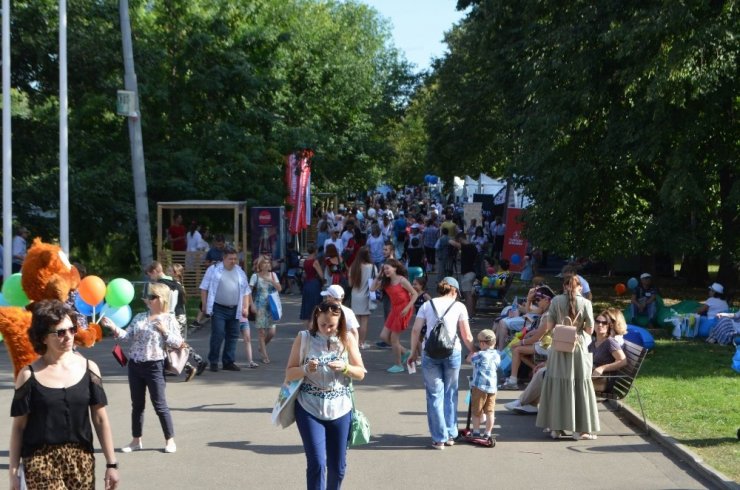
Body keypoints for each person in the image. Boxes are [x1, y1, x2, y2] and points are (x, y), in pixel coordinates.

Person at [9, 300, 120, 490]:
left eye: (72, 330)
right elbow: (19, 427)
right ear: (43, 338)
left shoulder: (90, 369)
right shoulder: (28, 375)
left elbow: (100, 419)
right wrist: (13, 474)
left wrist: (112, 464)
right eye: (60, 332)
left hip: (81, 459)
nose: (68, 337)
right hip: (40, 460)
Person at [284, 300, 365, 490]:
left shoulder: (347, 339)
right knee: (317, 463)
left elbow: (360, 373)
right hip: (309, 407)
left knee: (338, 467)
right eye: (322, 325)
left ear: (340, 323)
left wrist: (345, 367)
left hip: (341, 408)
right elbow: (289, 373)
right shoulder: (303, 337)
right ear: (315, 320)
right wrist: (305, 368)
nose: (327, 329)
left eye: (332, 326)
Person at [107, 283, 183, 454]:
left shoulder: (169, 319)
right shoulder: (140, 316)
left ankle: (170, 440)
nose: (149, 300)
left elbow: (178, 343)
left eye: (153, 297)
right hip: (135, 364)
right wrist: (113, 327)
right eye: (148, 297)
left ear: (161, 299)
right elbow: (127, 336)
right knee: (137, 405)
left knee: (160, 404)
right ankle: (136, 440)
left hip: (155, 365)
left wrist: (164, 331)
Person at [407, 277, 475, 449]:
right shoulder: (459, 306)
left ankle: (439, 438)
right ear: (454, 290)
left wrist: (413, 352)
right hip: (453, 352)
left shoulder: (427, 305)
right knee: (451, 392)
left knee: (434, 394)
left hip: (430, 353)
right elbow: (466, 335)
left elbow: (416, 330)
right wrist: (474, 350)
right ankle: (451, 434)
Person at [535, 274, 597, 440]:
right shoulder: (586, 303)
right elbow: (590, 330)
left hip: (559, 345)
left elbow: (549, 326)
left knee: (557, 383)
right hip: (578, 347)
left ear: (564, 286)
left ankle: (556, 427)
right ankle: (579, 429)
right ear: (580, 288)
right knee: (578, 385)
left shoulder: (555, 301)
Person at [147, 262, 207, 380]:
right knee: (175, 342)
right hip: (178, 315)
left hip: (172, 315)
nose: (150, 278)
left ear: (154, 272)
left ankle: (188, 365)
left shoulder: (163, 284)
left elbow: (168, 303)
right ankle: (194, 362)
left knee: (174, 343)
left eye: (150, 275)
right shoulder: (173, 282)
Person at [199, 247, 251, 371]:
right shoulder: (214, 270)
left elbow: (246, 291)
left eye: (235, 258)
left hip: (235, 308)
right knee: (218, 334)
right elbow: (204, 288)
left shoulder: (240, 271)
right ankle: (214, 361)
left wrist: (246, 307)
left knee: (233, 335)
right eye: (230, 259)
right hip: (218, 308)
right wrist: (205, 304)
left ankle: (228, 361)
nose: (233, 261)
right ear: (223, 258)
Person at [370, 258, 418, 373]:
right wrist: (379, 275)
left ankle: (399, 365)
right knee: (384, 336)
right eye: (384, 269)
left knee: (394, 339)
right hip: (395, 309)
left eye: (388, 268)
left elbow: (414, 293)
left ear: (395, 268)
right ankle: (406, 352)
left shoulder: (402, 280)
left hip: (404, 309)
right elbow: (372, 288)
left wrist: (407, 308)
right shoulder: (386, 282)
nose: (386, 270)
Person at [468, 329, 501, 438]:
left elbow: (469, 359)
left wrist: (472, 352)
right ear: (494, 342)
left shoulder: (480, 355)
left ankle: (476, 431)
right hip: (492, 388)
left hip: (479, 387)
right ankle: (488, 433)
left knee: (476, 411)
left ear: (482, 343)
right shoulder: (497, 354)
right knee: (490, 412)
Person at [249, 255, 282, 365]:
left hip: (271, 306)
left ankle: (261, 347)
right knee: (261, 332)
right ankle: (264, 355)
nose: (267, 265)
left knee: (272, 332)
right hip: (260, 305)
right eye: (264, 263)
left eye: (268, 263)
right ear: (260, 265)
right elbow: (248, 291)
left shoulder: (273, 275)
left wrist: (271, 281)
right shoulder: (255, 276)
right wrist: (251, 304)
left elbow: (280, 289)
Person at [349, 246, 375, 349]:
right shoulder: (372, 267)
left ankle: (355, 342)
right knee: (364, 321)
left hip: (355, 295)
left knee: (356, 321)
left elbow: (350, 284)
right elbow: (375, 281)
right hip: (366, 296)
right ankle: (361, 343)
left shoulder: (353, 267)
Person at [300, 245, 325, 328]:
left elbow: (304, 274)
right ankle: (313, 326)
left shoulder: (305, 261)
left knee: (307, 305)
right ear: (315, 251)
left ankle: (308, 327)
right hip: (314, 284)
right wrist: (323, 280)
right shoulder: (315, 261)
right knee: (315, 304)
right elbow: (321, 274)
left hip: (307, 284)